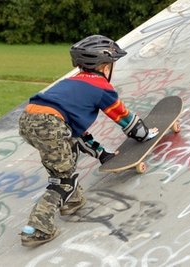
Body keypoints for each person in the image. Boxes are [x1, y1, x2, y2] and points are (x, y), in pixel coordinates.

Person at [18, 35, 158, 247]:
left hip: (29, 118)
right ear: (104, 66)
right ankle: (37, 229)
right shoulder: (101, 86)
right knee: (61, 180)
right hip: (51, 123)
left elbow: (75, 134)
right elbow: (125, 119)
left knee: (64, 152)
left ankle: (72, 200)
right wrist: (145, 134)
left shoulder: (71, 83)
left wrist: (102, 154)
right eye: (112, 64)